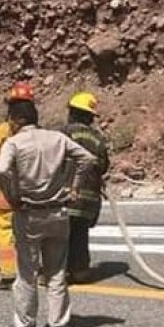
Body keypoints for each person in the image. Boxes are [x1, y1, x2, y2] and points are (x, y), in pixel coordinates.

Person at [0, 98, 97, 327]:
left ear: (18, 120)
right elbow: (88, 159)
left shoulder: (14, 143)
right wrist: (74, 187)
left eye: (10, 119)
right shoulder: (57, 138)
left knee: (27, 272)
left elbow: (1, 171)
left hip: (29, 214)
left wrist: (12, 196)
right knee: (56, 271)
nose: (9, 124)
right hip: (58, 213)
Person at [0, 81, 35, 291]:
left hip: (5, 193)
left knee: (5, 232)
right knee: (29, 232)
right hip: (30, 189)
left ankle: (9, 273)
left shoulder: (4, 129)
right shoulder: (36, 131)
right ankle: (32, 270)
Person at [62, 92, 110, 284]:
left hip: (66, 195)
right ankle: (80, 271)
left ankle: (59, 272)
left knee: (61, 237)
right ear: (90, 116)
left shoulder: (63, 133)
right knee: (80, 235)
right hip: (89, 200)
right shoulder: (98, 138)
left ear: (72, 113)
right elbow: (104, 166)